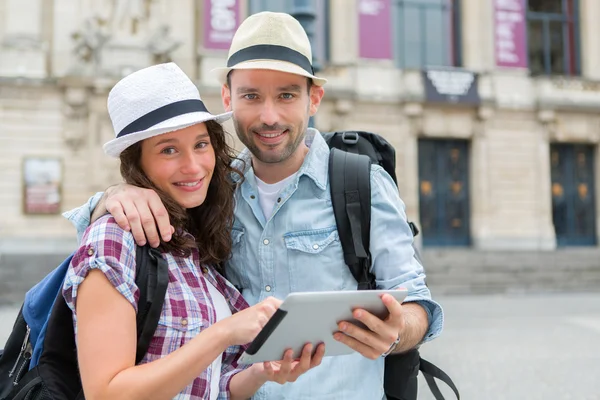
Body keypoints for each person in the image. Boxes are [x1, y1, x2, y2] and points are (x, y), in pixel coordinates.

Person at [65, 12, 444, 400]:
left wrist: (398, 330)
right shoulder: (211, 192)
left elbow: (417, 303)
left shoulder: (361, 184)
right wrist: (112, 196)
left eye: (286, 95)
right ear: (228, 98)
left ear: (313, 98)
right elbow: (122, 238)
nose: (268, 116)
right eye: (251, 96)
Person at [62, 62, 324, 400]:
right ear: (137, 161)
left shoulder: (190, 243)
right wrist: (223, 333)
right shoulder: (114, 240)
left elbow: (208, 385)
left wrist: (260, 372)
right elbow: (107, 393)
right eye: (169, 149)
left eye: (201, 144)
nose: (193, 165)